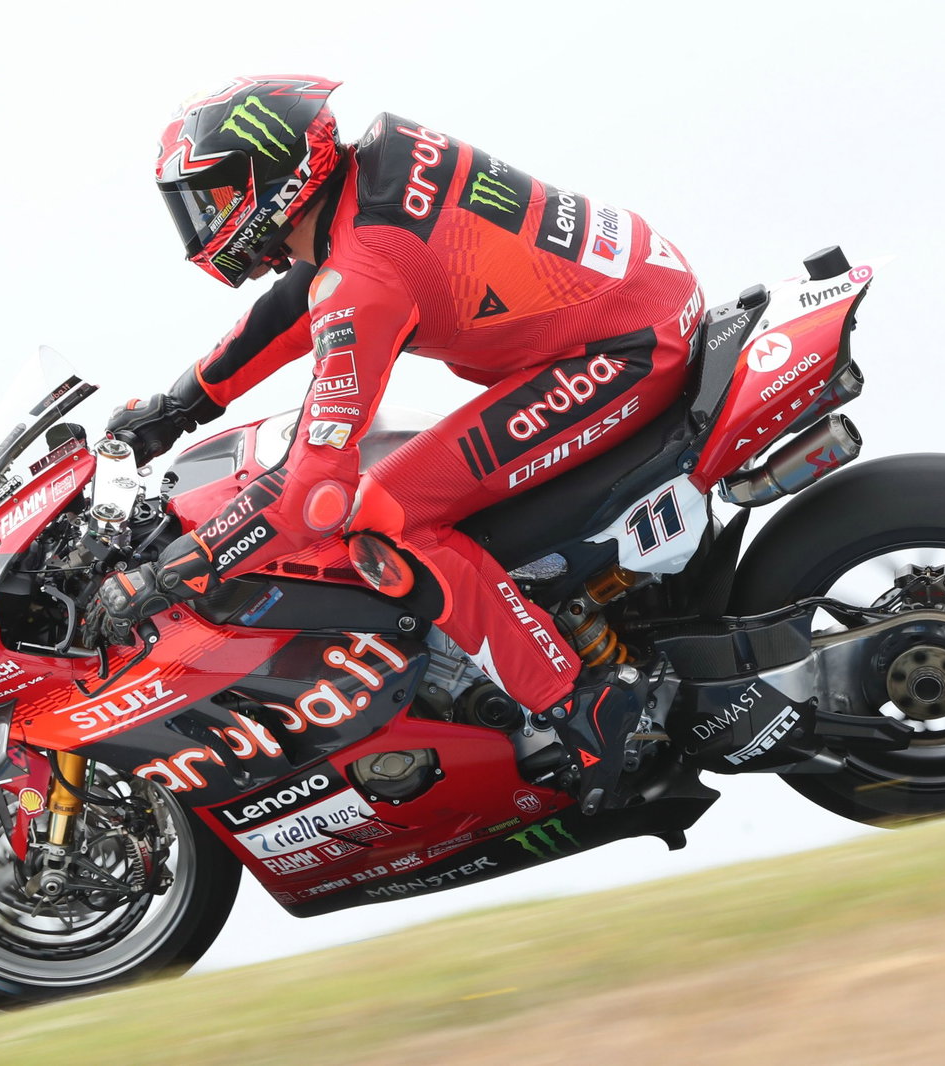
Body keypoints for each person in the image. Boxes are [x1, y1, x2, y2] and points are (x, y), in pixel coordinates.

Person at [85, 75, 703, 813]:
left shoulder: (369, 273)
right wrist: (184, 403)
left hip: (627, 345)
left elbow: (311, 496)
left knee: (387, 517)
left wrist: (175, 570)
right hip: (635, 291)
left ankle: (582, 705)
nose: (202, 225)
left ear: (270, 179)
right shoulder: (368, 168)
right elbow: (303, 295)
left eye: (213, 200)